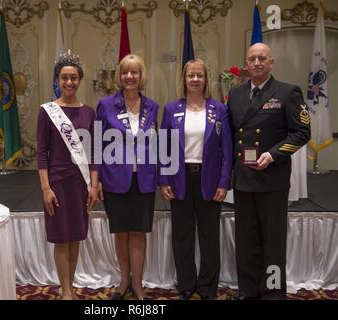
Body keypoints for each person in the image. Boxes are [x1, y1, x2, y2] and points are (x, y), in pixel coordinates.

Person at [227, 43, 311, 300]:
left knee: (272, 243)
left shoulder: (287, 92)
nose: (256, 63)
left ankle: (272, 292)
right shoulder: (236, 93)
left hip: (271, 180)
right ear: (246, 63)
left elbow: (302, 133)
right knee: (246, 241)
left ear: (271, 62)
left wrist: (273, 155)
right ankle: (248, 291)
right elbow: (232, 135)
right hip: (243, 179)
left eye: (262, 58)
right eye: (252, 59)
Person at [159, 59, 233, 300]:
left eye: (199, 75)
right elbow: (164, 147)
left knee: (209, 234)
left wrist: (224, 183)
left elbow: (227, 150)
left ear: (206, 79)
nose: (195, 79)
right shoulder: (171, 109)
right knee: (182, 235)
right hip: (179, 179)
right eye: (190, 75)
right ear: (184, 79)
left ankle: (208, 286)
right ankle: (186, 284)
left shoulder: (219, 109)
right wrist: (164, 180)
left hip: (209, 180)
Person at [37, 51, 99, 300]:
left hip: (81, 184)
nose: (69, 82)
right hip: (57, 183)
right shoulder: (47, 111)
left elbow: (95, 152)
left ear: (80, 80)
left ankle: (70, 286)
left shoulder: (89, 112)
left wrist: (94, 186)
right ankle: (65, 289)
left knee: (75, 237)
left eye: (73, 77)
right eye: (64, 78)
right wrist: (45, 188)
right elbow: (41, 153)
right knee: (62, 238)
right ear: (57, 80)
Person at [96, 54, 159, 300]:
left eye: (134, 72)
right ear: (119, 77)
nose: (129, 77)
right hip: (115, 180)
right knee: (121, 232)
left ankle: (138, 285)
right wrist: (97, 180)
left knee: (139, 232)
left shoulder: (153, 106)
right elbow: (98, 144)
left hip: (143, 180)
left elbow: (158, 144)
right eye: (125, 72)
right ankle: (123, 282)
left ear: (142, 76)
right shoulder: (106, 105)